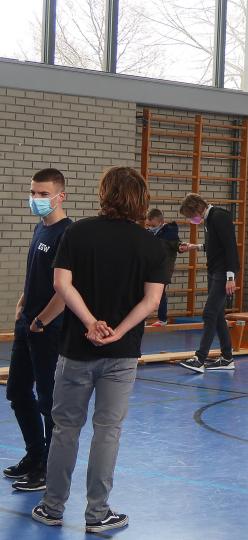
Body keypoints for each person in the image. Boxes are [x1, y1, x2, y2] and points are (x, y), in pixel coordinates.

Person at [33, 166, 166, 533]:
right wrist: (117, 331)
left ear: (104, 194)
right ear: (141, 200)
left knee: (65, 429)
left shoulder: (78, 232)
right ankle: (97, 513)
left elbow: (62, 284)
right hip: (121, 355)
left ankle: (52, 506)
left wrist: (90, 322)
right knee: (107, 431)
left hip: (76, 349)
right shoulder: (150, 244)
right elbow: (151, 301)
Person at [5, 168, 72, 492]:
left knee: (48, 400)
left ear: (61, 196)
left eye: (43, 194)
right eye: (33, 193)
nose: (36, 199)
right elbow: (37, 273)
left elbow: (65, 289)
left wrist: (42, 320)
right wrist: (22, 303)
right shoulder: (39, 228)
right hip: (27, 324)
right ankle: (34, 455)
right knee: (17, 392)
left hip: (48, 328)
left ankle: (48, 467)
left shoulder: (67, 234)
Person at [177, 194, 240, 373]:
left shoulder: (219, 217)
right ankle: (227, 358)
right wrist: (195, 247)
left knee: (209, 313)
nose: (191, 220)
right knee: (218, 315)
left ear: (197, 209)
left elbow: (230, 247)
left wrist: (230, 277)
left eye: (190, 216)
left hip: (223, 272)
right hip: (214, 271)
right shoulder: (209, 219)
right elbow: (214, 244)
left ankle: (200, 358)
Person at [144, 208, 181, 327]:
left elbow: (178, 245)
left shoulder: (170, 233)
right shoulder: (148, 232)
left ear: (160, 222)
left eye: (152, 225)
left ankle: (162, 318)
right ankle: (142, 318)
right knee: (143, 292)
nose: (150, 227)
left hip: (164, 267)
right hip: (150, 266)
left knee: (160, 293)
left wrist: (182, 247)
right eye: (148, 225)